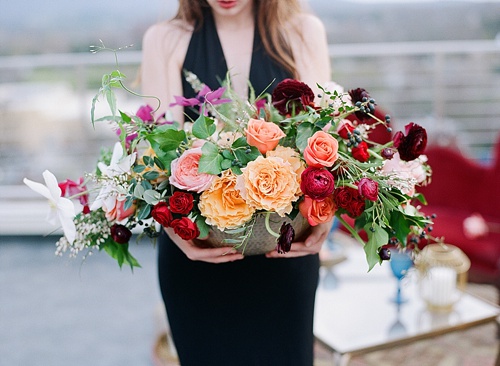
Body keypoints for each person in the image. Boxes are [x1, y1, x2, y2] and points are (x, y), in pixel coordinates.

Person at [141, 1, 332, 364]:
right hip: (199, 258)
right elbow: (154, 157)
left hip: (284, 254)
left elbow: (324, 141)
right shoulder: (164, 40)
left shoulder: (303, 32)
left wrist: (327, 214)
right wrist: (175, 234)